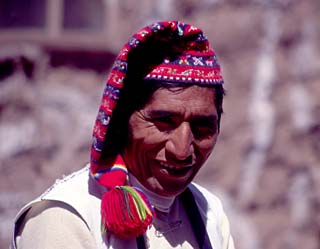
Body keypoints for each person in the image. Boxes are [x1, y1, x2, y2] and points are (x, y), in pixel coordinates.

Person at [12, 20, 235, 249]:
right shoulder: (65, 219)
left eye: (202, 127)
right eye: (163, 122)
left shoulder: (210, 215)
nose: (181, 150)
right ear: (121, 120)